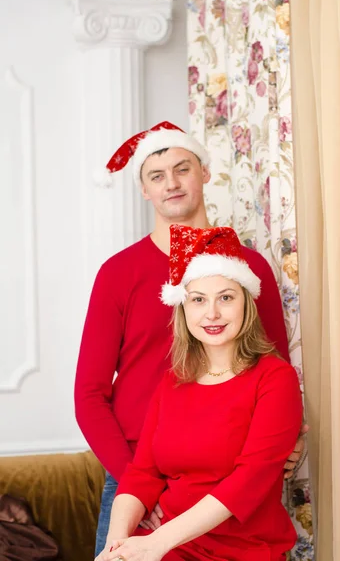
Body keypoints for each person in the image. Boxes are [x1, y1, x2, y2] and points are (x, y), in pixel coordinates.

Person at [74, 121, 307, 556]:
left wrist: (283, 444)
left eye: (182, 169)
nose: (172, 184)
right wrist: (137, 486)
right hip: (136, 473)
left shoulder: (249, 267)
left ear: (204, 172)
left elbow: (271, 364)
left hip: (230, 478)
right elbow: (89, 394)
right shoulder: (118, 273)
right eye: (156, 176)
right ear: (144, 190)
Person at [96, 224, 303, 561]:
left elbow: (249, 481)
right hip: (168, 545)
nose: (212, 313)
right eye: (198, 300)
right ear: (183, 308)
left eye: (226, 297)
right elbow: (143, 474)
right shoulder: (173, 381)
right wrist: (116, 545)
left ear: (246, 304)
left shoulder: (275, 379)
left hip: (242, 550)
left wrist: (157, 542)